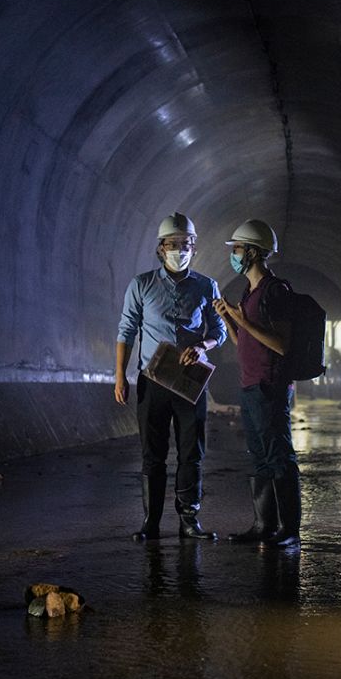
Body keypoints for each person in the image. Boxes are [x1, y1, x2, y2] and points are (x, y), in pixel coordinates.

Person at [114, 213, 226, 541]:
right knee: (153, 453)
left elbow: (218, 329)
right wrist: (120, 376)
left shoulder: (207, 286)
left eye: (186, 244)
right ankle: (151, 522)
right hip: (153, 381)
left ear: (194, 247)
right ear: (161, 249)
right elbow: (127, 329)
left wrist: (203, 346)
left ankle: (190, 521)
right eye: (173, 244)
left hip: (191, 382)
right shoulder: (142, 284)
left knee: (192, 451)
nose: (181, 249)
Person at [211, 219, 300, 549]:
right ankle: (264, 525)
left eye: (236, 248)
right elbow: (243, 342)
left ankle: (290, 530)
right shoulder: (249, 292)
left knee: (280, 457)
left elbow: (281, 345)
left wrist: (242, 319)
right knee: (261, 457)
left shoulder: (276, 291)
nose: (233, 254)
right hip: (249, 385)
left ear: (252, 252)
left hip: (269, 386)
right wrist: (228, 318)